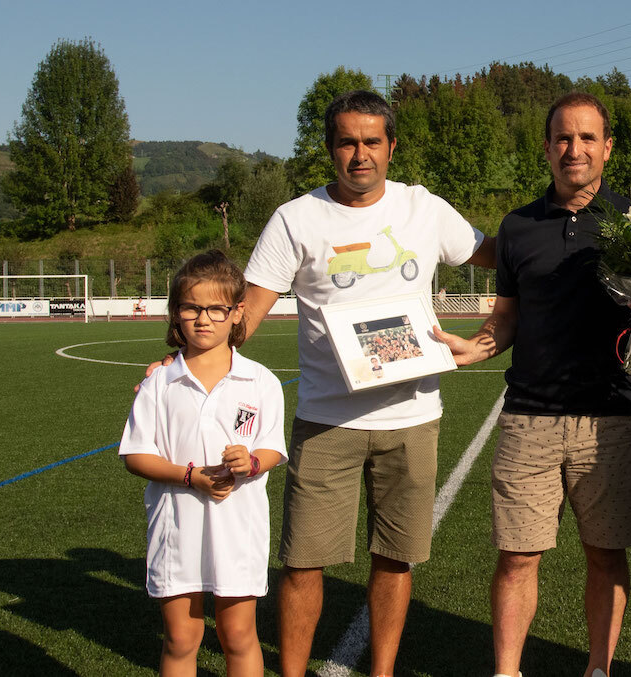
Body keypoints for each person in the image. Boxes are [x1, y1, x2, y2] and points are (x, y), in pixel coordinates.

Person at [147, 90, 494, 677]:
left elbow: (505, 261)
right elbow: (245, 317)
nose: (360, 154)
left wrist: (490, 338)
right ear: (330, 148)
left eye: (372, 142)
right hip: (327, 418)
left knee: (395, 559)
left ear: (391, 147)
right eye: (347, 142)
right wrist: (178, 359)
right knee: (303, 564)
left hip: (412, 418)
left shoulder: (425, 208)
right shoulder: (296, 217)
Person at [433, 92, 631, 677]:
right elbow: (507, 317)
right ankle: (507, 671)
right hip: (528, 416)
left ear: (608, 148)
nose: (575, 150)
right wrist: (476, 346)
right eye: (563, 139)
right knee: (517, 557)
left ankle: (598, 668)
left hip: (611, 418)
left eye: (587, 138)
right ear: (546, 147)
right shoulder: (517, 227)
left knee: (605, 554)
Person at [121, 249, 287, 676]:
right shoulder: (160, 381)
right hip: (176, 527)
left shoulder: (261, 380)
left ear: (237, 313)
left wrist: (249, 463)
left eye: (216, 309)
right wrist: (189, 476)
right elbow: (136, 455)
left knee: (238, 637)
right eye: (192, 307)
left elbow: (273, 449)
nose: (203, 319)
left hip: (238, 528)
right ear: (176, 313)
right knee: (180, 638)